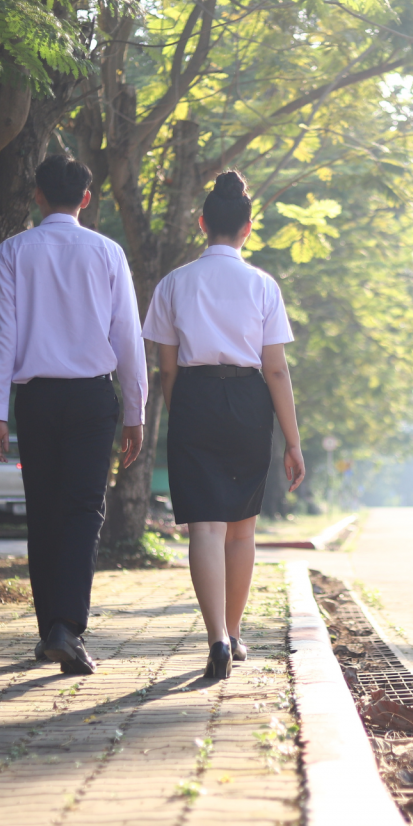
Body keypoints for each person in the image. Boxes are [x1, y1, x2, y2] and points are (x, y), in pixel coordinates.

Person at [0, 153, 148, 675]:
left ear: (37, 195)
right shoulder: (108, 251)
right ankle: (66, 628)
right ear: (86, 198)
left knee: (45, 510)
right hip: (93, 399)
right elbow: (127, 337)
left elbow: (0, 333)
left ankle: (50, 627)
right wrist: (136, 411)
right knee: (82, 510)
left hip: (36, 399)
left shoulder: (14, 251)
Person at [141, 170, 306, 680]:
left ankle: (214, 636)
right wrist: (293, 443)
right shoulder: (262, 284)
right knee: (241, 530)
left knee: (204, 529)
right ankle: (234, 634)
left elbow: (166, 368)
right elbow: (275, 368)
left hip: (193, 397)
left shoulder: (174, 283)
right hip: (249, 403)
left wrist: (180, 410)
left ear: (201, 223)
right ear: (247, 230)